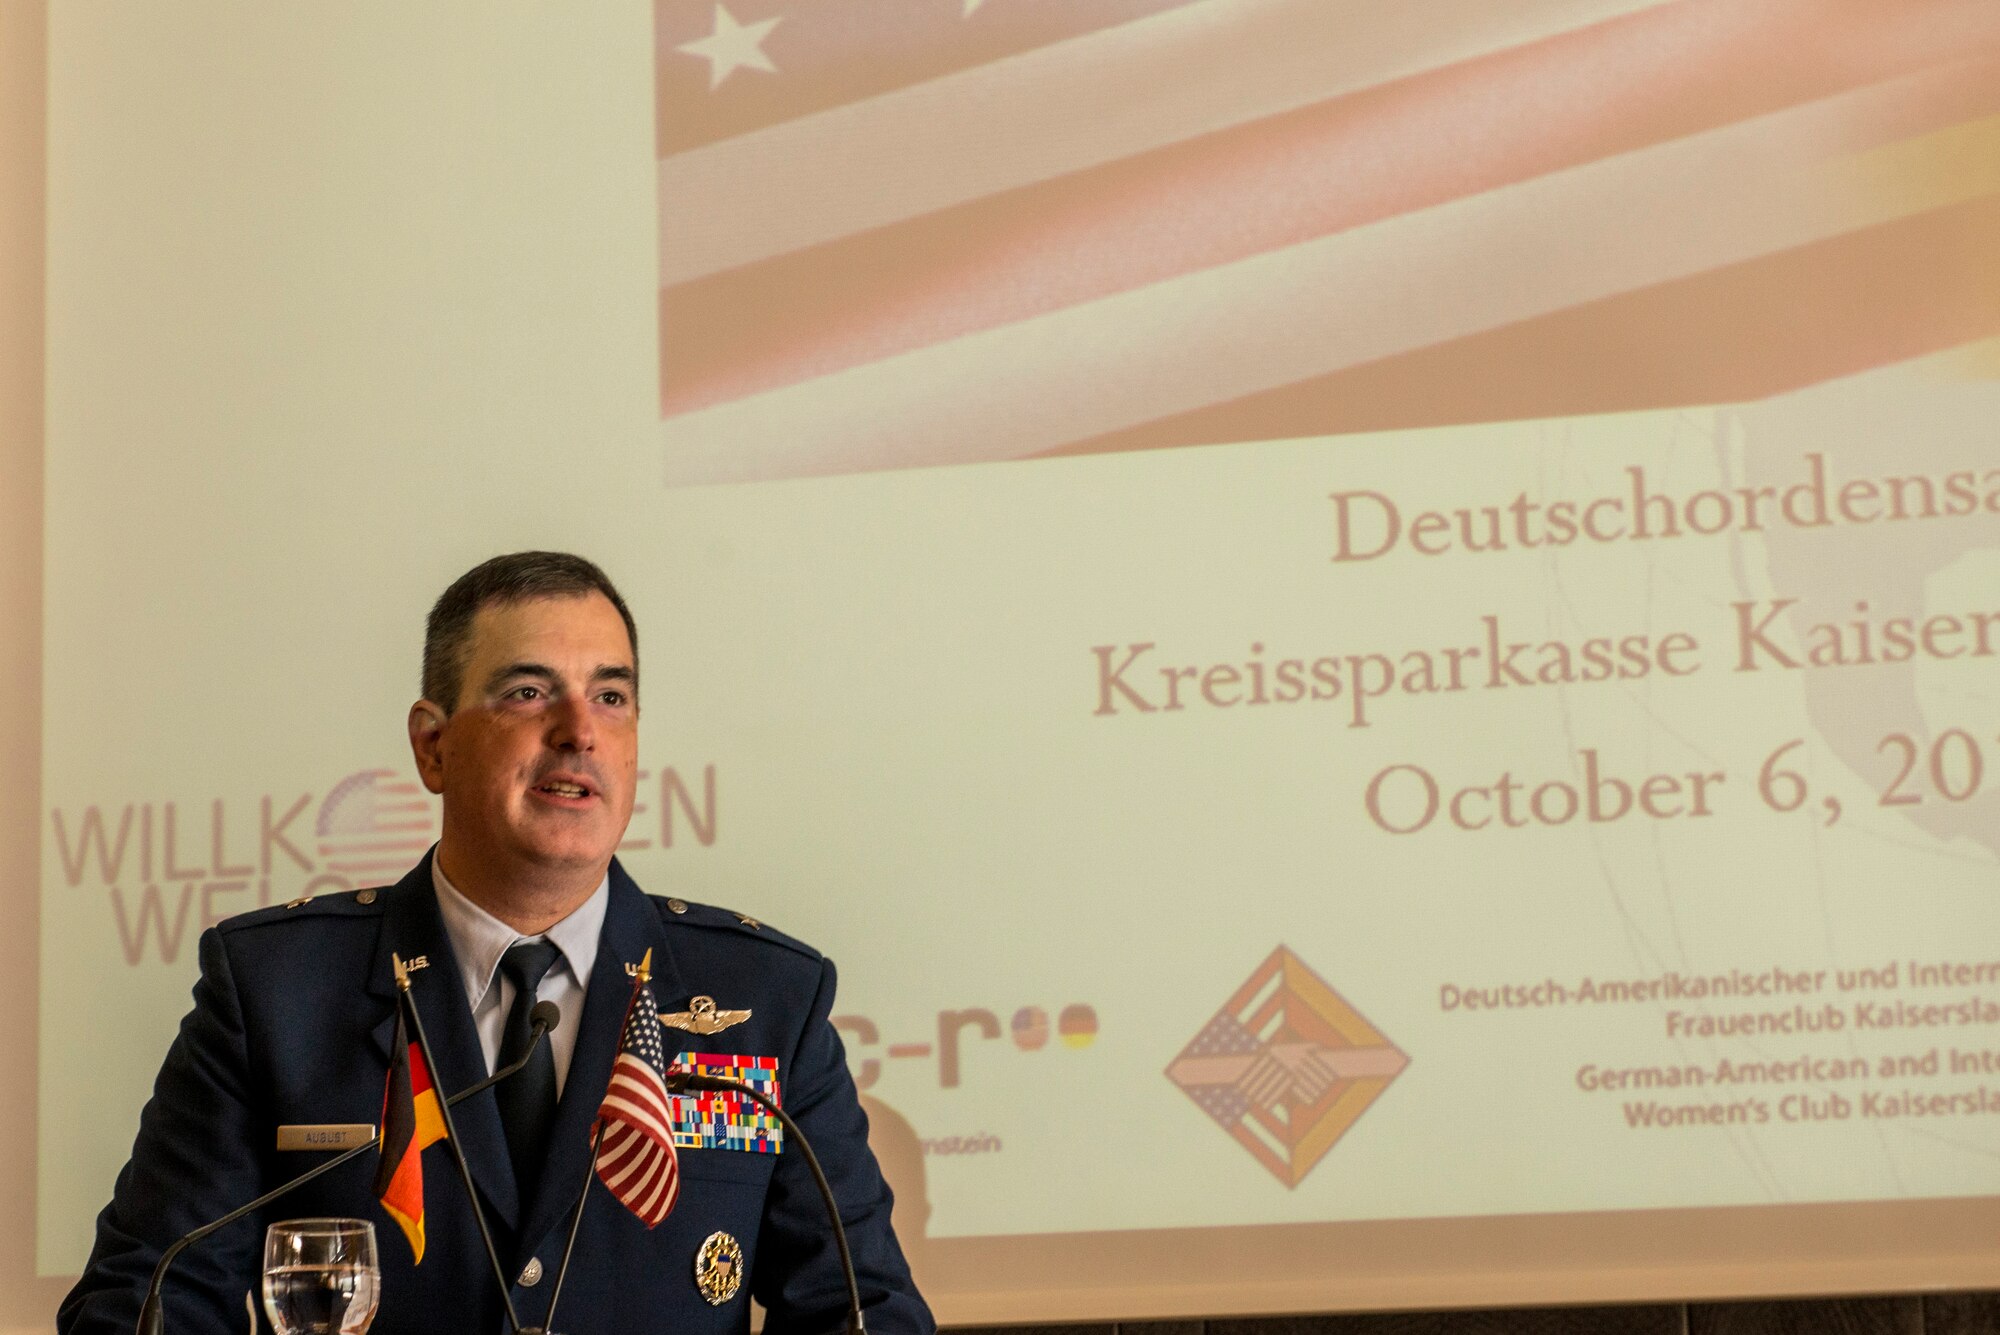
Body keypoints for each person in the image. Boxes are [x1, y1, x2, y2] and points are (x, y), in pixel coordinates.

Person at [60, 551, 932, 1334]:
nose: (579, 730)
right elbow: (145, 1300)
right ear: (432, 747)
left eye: (612, 696)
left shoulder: (765, 999)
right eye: (528, 690)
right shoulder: (276, 991)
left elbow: (864, 1312)